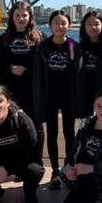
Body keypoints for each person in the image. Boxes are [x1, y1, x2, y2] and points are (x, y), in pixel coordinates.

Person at [33, 10, 85, 190]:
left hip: (68, 96)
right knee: (52, 133)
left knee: (70, 134)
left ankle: (68, 167)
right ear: (50, 25)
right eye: (56, 22)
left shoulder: (73, 46)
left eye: (63, 23)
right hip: (49, 96)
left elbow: (78, 73)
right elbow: (38, 75)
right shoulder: (43, 46)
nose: (60, 26)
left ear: (69, 26)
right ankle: (55, 170)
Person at [0, 1, 45, 163]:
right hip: (11, 91)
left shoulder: (39, 37)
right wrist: (10, 68)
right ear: (12, 17)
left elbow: (44, 63)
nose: (21, 18)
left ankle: (36, 162)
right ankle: (17, 163)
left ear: (30, 17)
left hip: (33, 90)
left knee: (36, 126)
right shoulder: (3, 38)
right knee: (13, 126)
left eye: (24, 15)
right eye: (17, 15)